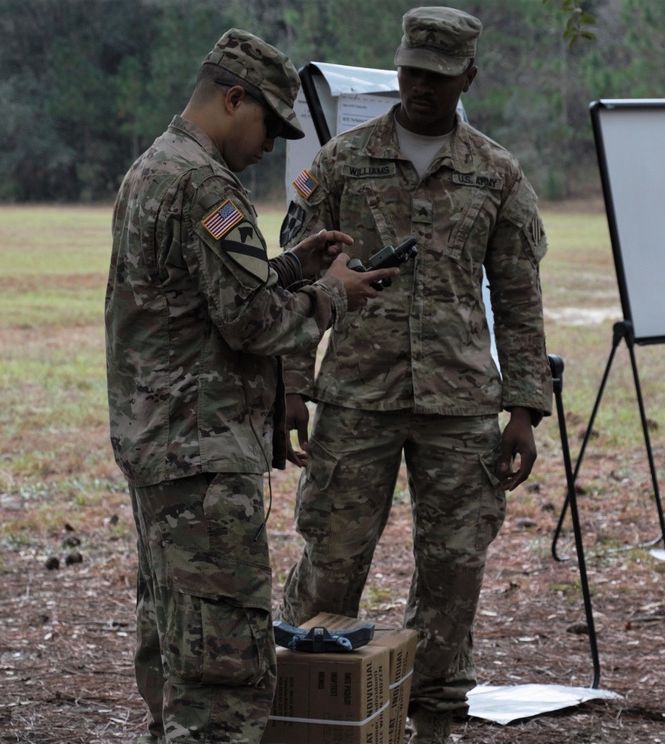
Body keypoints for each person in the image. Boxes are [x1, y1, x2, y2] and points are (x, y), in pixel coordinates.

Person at [104, 28, 397, 743]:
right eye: (269, 122)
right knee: (223, 677)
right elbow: (254, 324)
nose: (271, 144)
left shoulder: (154, 167)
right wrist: (333, 296)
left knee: (175, 651)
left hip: (161, 447)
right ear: (233, 98)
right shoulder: (206, 184)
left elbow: (194, 295)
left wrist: (293, 265)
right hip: (201, 456)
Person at [276, 7, 553, 743]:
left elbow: (520, 293)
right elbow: (298, 282)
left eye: (437, 75)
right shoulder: (342, 161)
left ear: (468, 75)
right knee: (330, 560)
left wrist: (525, 407)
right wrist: (291, 385)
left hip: (461, 404)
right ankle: (304, 703)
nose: (420, 87)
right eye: (410, 73)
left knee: (452, 574)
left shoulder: (496, 173)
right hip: (356, 397)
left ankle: (434, 716)